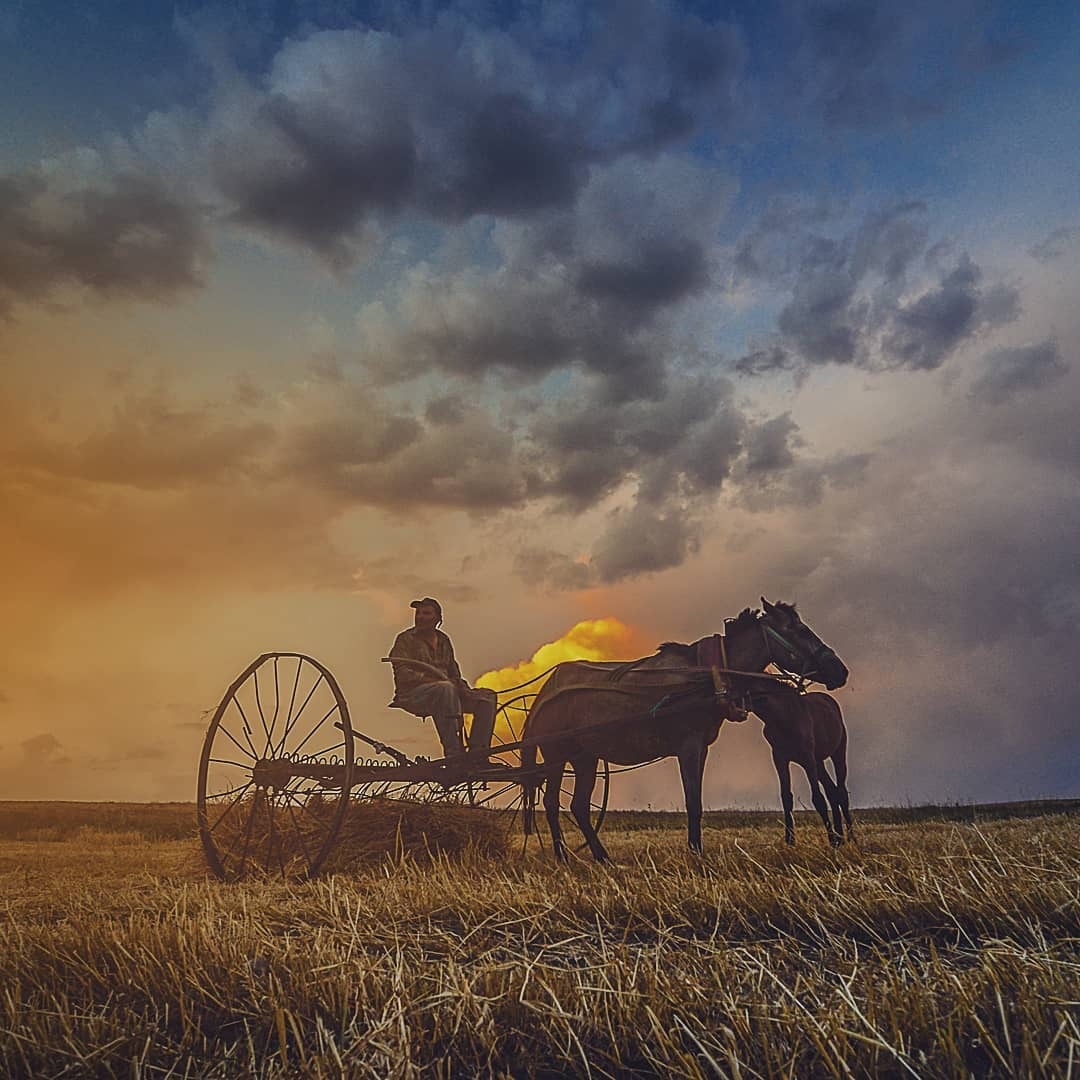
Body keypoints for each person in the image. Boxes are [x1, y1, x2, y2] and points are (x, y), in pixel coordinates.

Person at [388, 597, 496, 763]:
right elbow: (402, 673)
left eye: (426, 613)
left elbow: (453, 669)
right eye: (418, 613)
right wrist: (433, 680)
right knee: (445, 689)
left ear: (438, 618)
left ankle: (478, 754)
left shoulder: (444, 640)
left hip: (448, 692)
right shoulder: (405, 639)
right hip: (413, 695)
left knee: (487, 698)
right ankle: (454, 755)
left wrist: (461, 685)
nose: (420, 617)